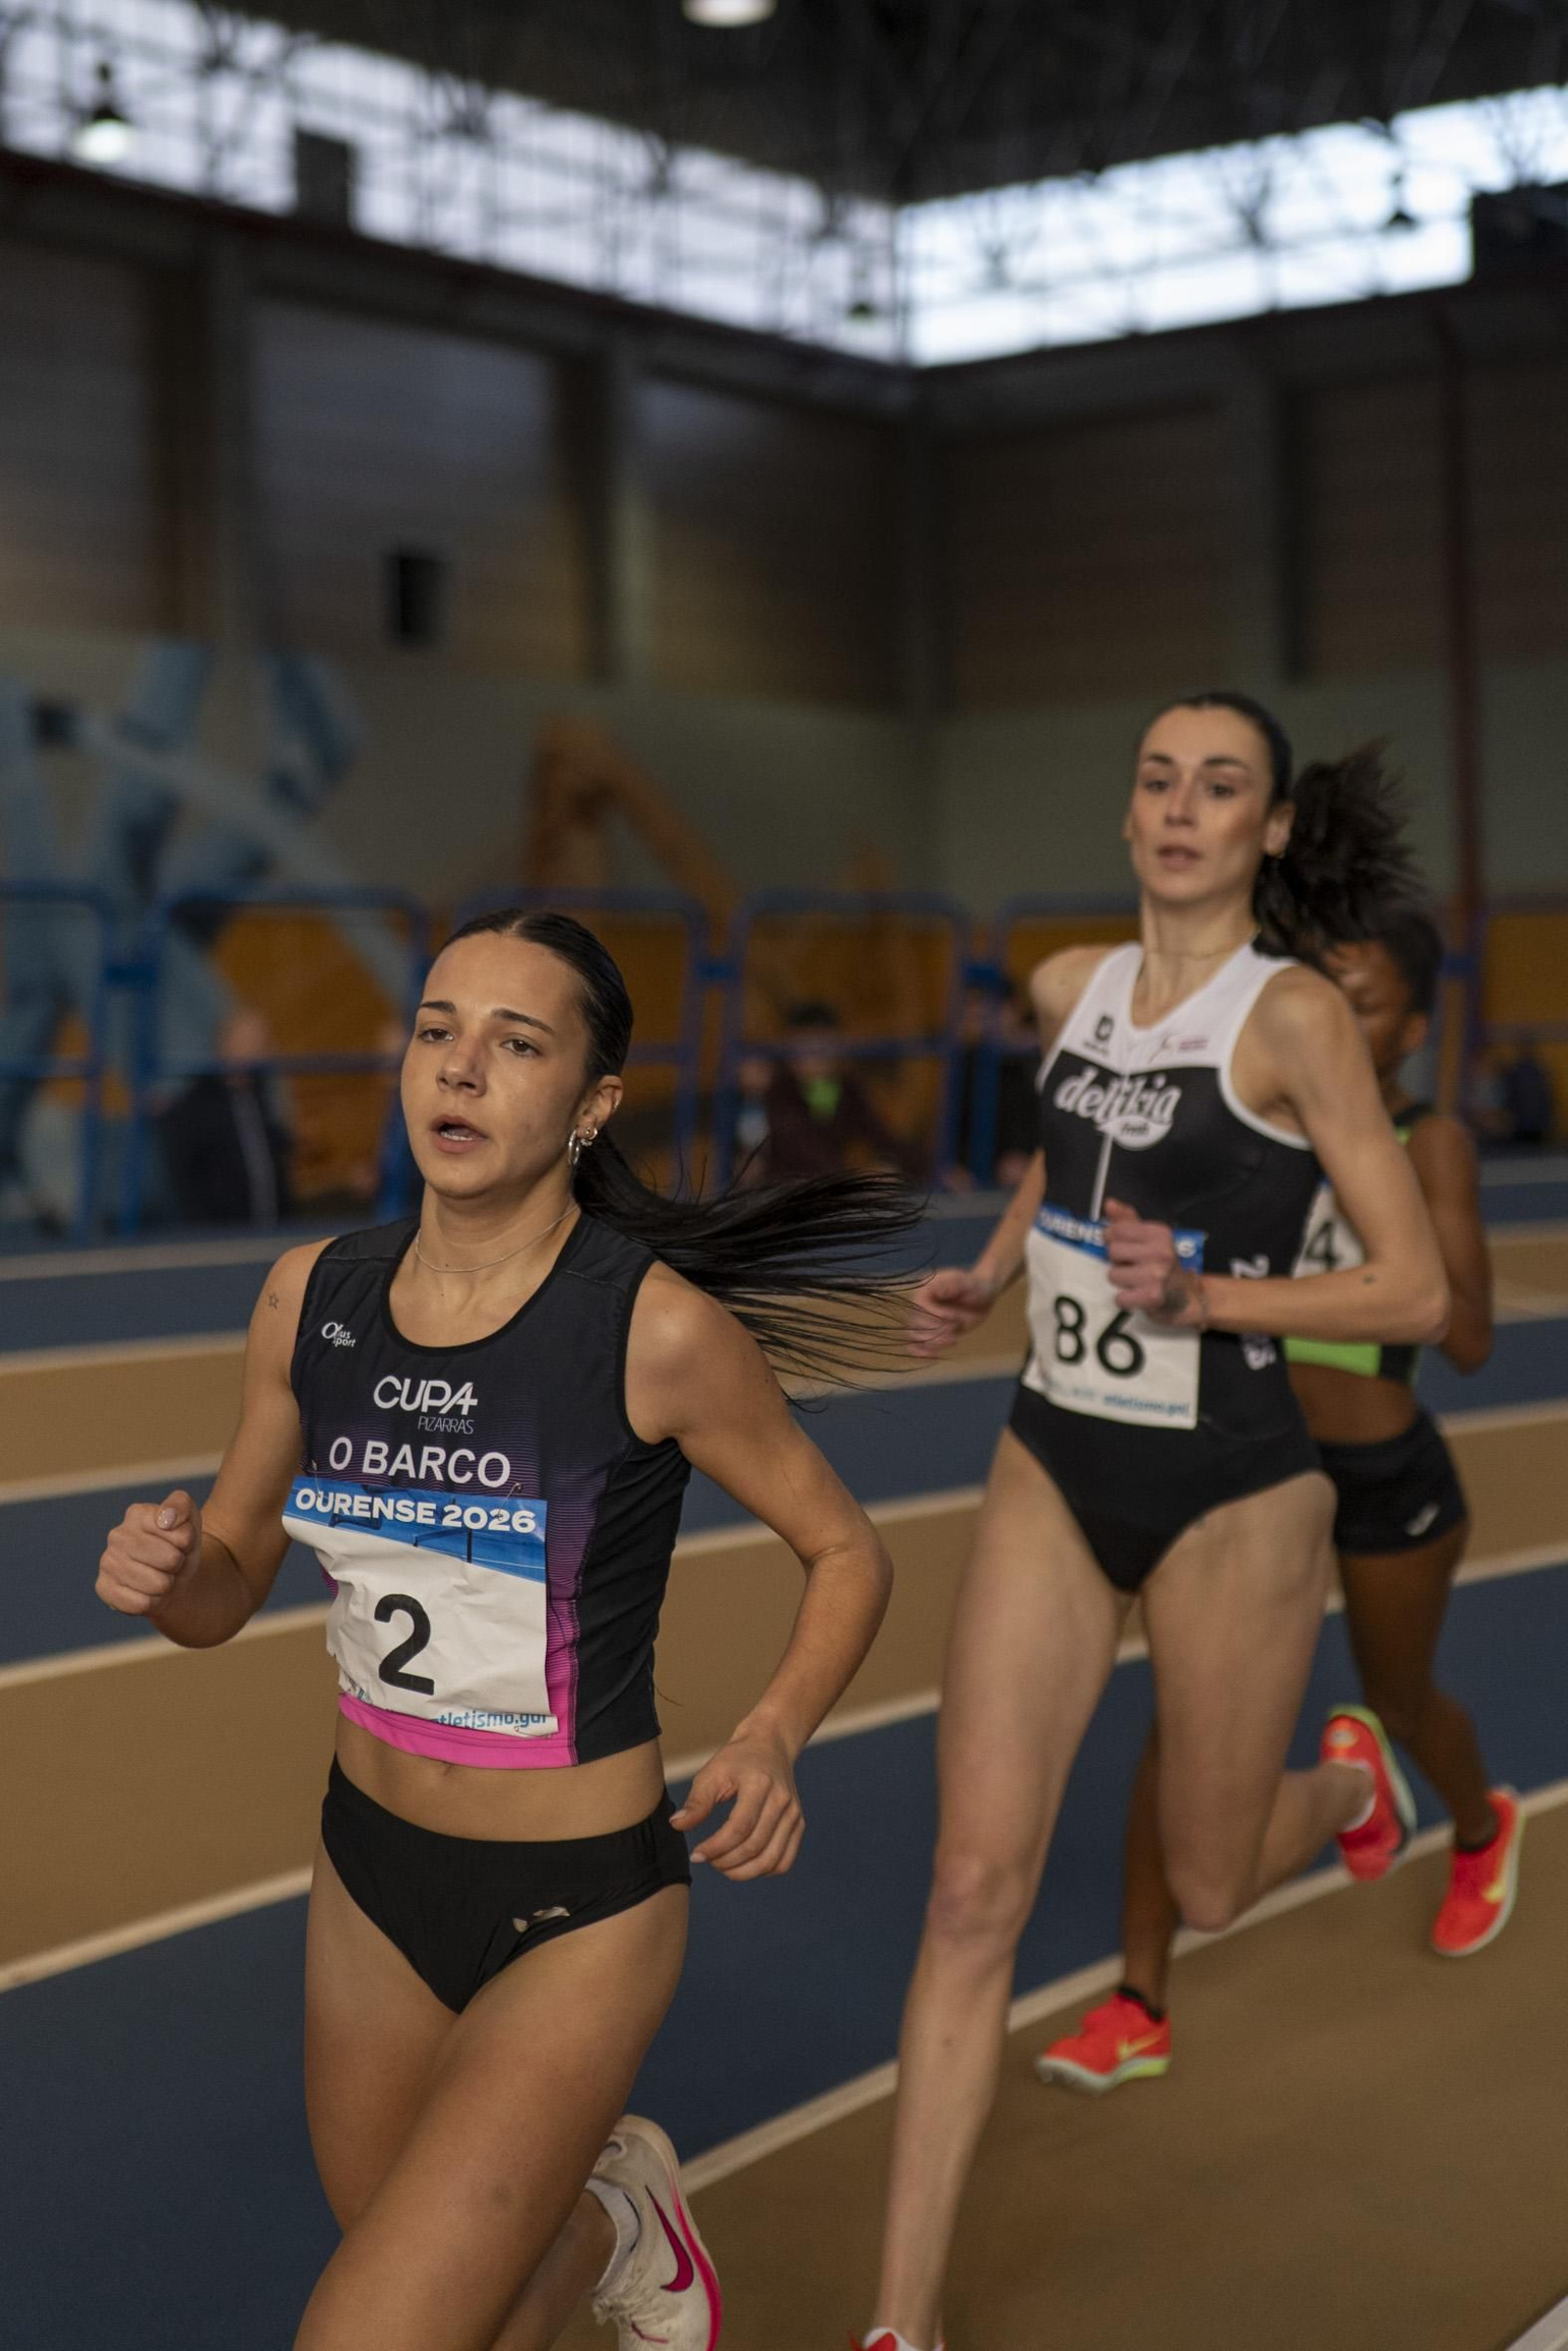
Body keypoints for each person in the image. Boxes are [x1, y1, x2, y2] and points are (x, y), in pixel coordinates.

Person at [96, 907, 922, 2351]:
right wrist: (173, 1576)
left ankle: (613, 2209)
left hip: (577, 1903)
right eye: (437, 1029)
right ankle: (613, 2219)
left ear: (593, 1104)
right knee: (461, 2304)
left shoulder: (652, 1329)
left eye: (516, 1042)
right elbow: (227, 1578)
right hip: (369, 1872)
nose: (461, 1070)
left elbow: (846, 1546)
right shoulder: (314, 1296)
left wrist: (776, 1731)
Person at [856, 695, 1448, 2351]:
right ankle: (900, 2319)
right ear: (1129, 812)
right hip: (1054, 1449)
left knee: (1202, 1887)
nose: (1181, 807)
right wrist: (988, 1267)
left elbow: (1409, 1278)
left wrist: (1205, 1289)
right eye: (1158, 778)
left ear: (1268, 830)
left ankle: (1343, 1774)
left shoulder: (1299, 1021)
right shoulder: (1067, 986)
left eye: (1222, 787)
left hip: (1234, 1479)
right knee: (972, 1882)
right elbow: (1070, 1154)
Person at [1039, 905, 1517, 2099]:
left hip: (1381, 1477)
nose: (1334, 1022)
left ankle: (1476, 1823)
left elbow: (1461, 1333)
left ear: (1409, 1024)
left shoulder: (1425, 1140)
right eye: (1323, 996)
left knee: (1399, 1696)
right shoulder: (1251, 1118)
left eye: (1362, 1003)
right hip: (1250, 1468)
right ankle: (1140, 1998)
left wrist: (1370, 1219)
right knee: (1178, 1724)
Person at [155, 1004, 295, 1225]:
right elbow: (182, 1179)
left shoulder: (262, 1098)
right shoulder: (196, 1106)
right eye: (249, 1041)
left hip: (273, 1229)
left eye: (262, 1042)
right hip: (221, 1236)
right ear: (225, 1043)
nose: (260, 1050)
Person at [754, 1000, 923, 1182]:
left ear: (836, 1044)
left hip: (829, 1192)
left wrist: (930, 1167)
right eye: (802, 1046)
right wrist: (858, 1177)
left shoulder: (847, 1091)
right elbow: (801, 1148)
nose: (812, 1056)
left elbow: (883, 1137)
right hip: (785, 1194)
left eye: (820, 1045)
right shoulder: (781, 1091)